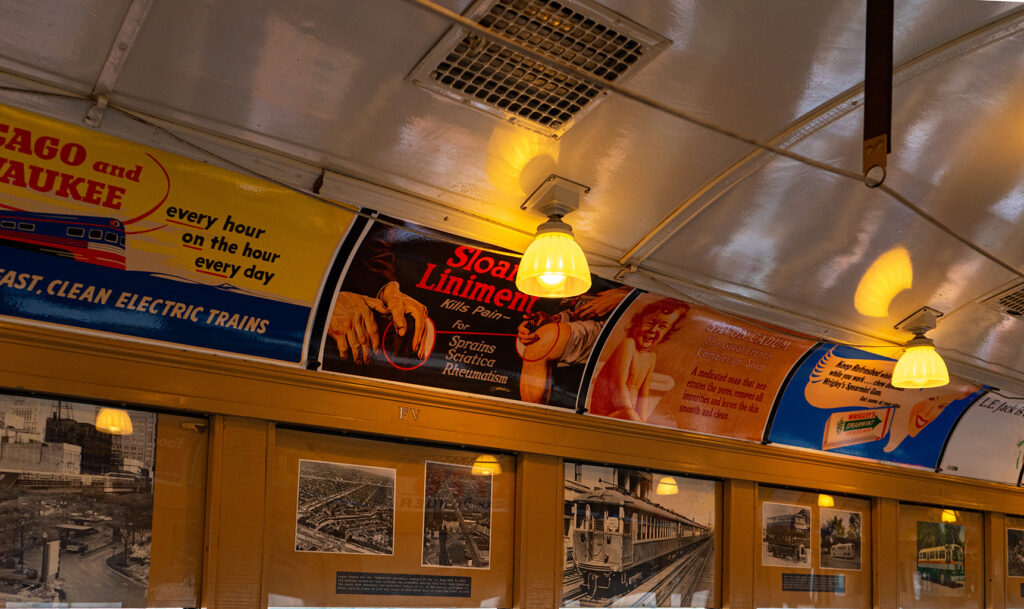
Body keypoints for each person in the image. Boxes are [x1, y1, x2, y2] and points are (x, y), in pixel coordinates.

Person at [516, 287, 631, 404]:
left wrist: (623, 298)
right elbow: (588, 308)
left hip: (626, 325)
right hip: (600, 318)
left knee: (543, 342)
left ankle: (535, 418)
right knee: (538, 340)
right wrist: (557, 319)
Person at [587, 299, 689, 422]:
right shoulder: (628, 345)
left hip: (625, 414)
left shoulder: (651, 357)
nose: (653, 329)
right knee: (633, 418)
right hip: (606, 414)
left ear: (667, 333)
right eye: (650, 322)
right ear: (637, 323)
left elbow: (644, 395)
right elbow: (617, 387)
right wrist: (632, 417)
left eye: (662, 327)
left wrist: (643, 422)